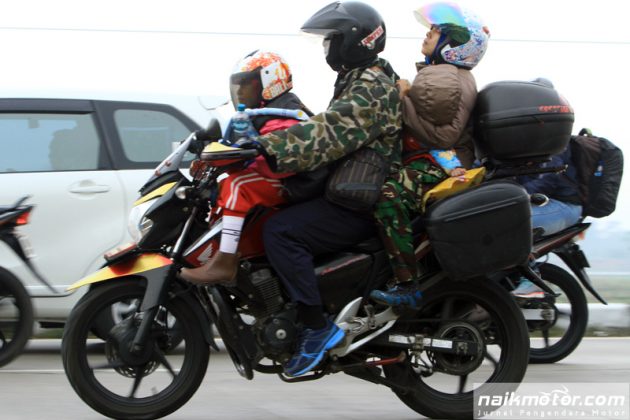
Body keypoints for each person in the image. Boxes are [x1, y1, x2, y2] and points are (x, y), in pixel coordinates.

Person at [244, 1, 401, 377]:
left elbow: (329, 132)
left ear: (355, 41)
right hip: (352, 189)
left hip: (364, 199)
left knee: (279, 231)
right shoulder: (359, 79)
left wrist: (266, 146)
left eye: (332, 39)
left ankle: (316, 327)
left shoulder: (372, 87)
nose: (328, 47)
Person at [370, 1, 490, 309]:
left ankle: (406, 282)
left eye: (436, 31)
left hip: (442, 163)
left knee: (387, 195)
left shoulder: (445, 76)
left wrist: (401, 98)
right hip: (439, 160)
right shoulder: (449, 74)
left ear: (456, 45)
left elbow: (441, 136)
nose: (428, 34)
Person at [180, 50, 312, 285]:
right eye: (238, 86)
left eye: (246, 84)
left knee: (238, 185)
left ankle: (225, 260)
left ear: (271, 82)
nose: (240, 91)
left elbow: (273, 157)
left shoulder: (287, 115)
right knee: (224, 188)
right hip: (274, 179)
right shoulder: (257, 115)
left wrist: (239, 156)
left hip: (291, 183)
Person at [512, 145, 583, 298]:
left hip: (563, 205)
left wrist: (512, 194)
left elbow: (547, 181)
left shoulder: (554, 143)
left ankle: (532, 282)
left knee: (514, 222)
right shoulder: (515, 144)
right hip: (540, 203)